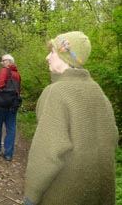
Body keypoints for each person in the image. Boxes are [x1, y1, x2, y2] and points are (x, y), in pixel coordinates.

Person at [23, 31, 118, 205]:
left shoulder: (56, 93)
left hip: (63, 195)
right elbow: (111, 141)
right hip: (100, 195)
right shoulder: (99, 93)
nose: (47, 57)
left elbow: (47, 153)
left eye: (52, 52)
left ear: (64, 56)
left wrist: (31, 196)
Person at [0, 54, 22, 161]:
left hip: (1, 104)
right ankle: (8, 154)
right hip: (13, 105)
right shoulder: (17, 74)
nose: (2, 63)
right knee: (11, 128)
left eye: (3, 61)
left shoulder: (4, 70)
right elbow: (19, 90)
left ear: (9, 61)